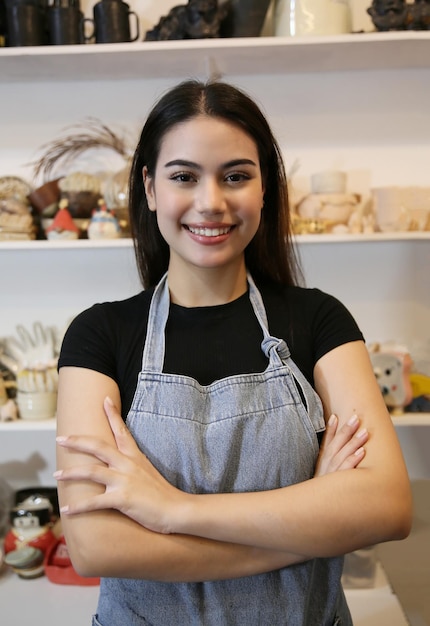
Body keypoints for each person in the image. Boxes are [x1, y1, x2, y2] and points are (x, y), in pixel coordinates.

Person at [55, 79, 412, 625]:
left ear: (264, 188)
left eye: (236, 176)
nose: (211, 202)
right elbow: (98, 546)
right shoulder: (99, 335)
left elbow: (387, 506)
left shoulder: (319, 320)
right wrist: (309, 529)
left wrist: (174, 510)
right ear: (150, 189)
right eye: (183, 177)